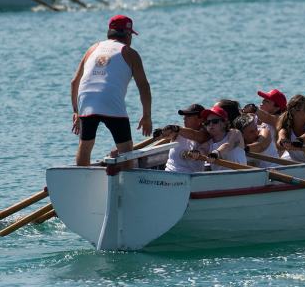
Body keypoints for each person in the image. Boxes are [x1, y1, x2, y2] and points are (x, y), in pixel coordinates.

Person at [71, 14, 152, 167]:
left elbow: (74, 82)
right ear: (128, 35)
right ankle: (127, 182)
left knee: (85, 144)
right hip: (111, 101)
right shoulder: (130, 53)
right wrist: (146, 116)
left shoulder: (92, 48)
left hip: (86, 100)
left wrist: (76, 111)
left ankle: (81, 177)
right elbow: (144, 87)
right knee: (126, 151)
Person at [190, 105, 246, 171]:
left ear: (224, 123)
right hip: (221, 178)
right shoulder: (208, 144)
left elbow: (228, 145)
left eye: (215, 121)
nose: (210, 124)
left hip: (241, 175)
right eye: (207, 122)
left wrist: (216, 153)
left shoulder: (235, 133)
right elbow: (202, 150)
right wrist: (196, 153)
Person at [163, 104, 210, 173]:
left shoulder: (206, 135)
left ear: (200, 119)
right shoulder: (178, 132)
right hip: (168, 173)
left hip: (191, 178)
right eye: (184, 116)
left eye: (188, 116)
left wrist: (176, 129)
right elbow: (164, 136)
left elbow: (194, 135)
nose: (184, 118)